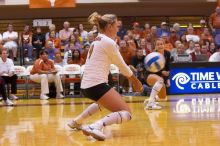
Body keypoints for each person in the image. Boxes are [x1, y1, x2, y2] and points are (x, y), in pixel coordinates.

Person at [67, 12, 143, 141]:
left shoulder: (97, 40)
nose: (118, 29)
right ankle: (95, 126)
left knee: (103, 103)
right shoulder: (108, 42)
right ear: (109, 26)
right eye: (116, 26)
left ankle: (77, 121)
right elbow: (122, 66)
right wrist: (136, 82)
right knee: (127, 113)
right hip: (96, 85)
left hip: (87, 85)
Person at [144, 38, 171, 110]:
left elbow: (168, 68)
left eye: (161, 44)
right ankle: (150, 103)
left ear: (164, 45)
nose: (160, 46)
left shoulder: (167, 54)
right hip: (149, 75)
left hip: (161, 78)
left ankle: (151, 99)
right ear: (155, 46)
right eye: (158, 44)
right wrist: (161, 72)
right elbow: (149, 69)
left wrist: (168, 76)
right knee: (160, 80)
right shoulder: (152, 55)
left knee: (163, 98)